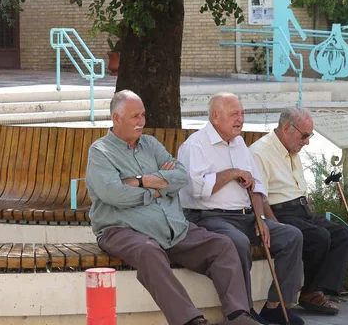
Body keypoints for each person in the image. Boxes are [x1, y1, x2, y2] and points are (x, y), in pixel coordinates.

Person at [85, 90, 260, 325]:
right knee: (149, 251)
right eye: (135, 116)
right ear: (116, 119)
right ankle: (190, 320)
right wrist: (158, 188)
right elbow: (114, 194)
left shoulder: (150, 144)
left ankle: (238, 315)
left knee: (223, 245)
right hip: (122, 229)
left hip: (172, 228)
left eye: (143, 115)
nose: (142, 122)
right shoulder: (100, 152)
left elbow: (180, 176)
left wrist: (141, 180)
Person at [177, 93, 305, 325]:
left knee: (291, 236)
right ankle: (243, 312)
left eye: (242, 113)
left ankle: (275, 306)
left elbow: (257, 186)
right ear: (215, 116)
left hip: (245, 216)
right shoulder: (195, 145)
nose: (241, 119)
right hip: (209, 217)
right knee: (238, 242)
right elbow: (197, 189)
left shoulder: (238, 144)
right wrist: (231, 173)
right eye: (234, 114)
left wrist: (260, 218)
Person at [249, 106, 348, 315]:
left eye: (309, 136)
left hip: (301, 210)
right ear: (287, 128)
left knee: (342, 234)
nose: (307, 142)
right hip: (280, 213)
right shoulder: (260, 151)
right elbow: (260, 196)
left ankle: (316, 291)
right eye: (304, 136)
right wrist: (275, 225)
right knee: (319, 237)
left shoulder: (291, 146)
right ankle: (311, 293)